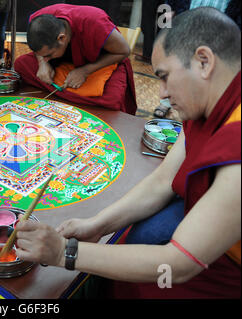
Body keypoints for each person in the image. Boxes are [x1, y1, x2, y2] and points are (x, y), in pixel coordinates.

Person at [14, 7, 241, 298]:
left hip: (225, 265)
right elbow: (162, 181)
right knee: (117, 256)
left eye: (164, 76)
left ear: (204, 62)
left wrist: (64, 254)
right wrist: (96, 224)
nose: (160, 94)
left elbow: (179, 264)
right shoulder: (206, 103)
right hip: (202, 229)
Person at [14, 4, 137, 115]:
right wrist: (42, 63)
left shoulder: (94, 22)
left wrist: (85, 71)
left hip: (99, 63)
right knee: (21, 64)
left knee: (112, 98)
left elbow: (124, 51)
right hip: (66, 61)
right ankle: (74, 95)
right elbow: (39, 53)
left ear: (61, 38)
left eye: (48, 55)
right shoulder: (38, 21)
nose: (46, 59)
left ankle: (64, 94)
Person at [154, 0, 241, 118]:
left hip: (218, 47)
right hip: (180, 41)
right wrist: (163, 37)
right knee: (173, 76)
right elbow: (165, 8)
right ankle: (165, 105)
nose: (161, 93)